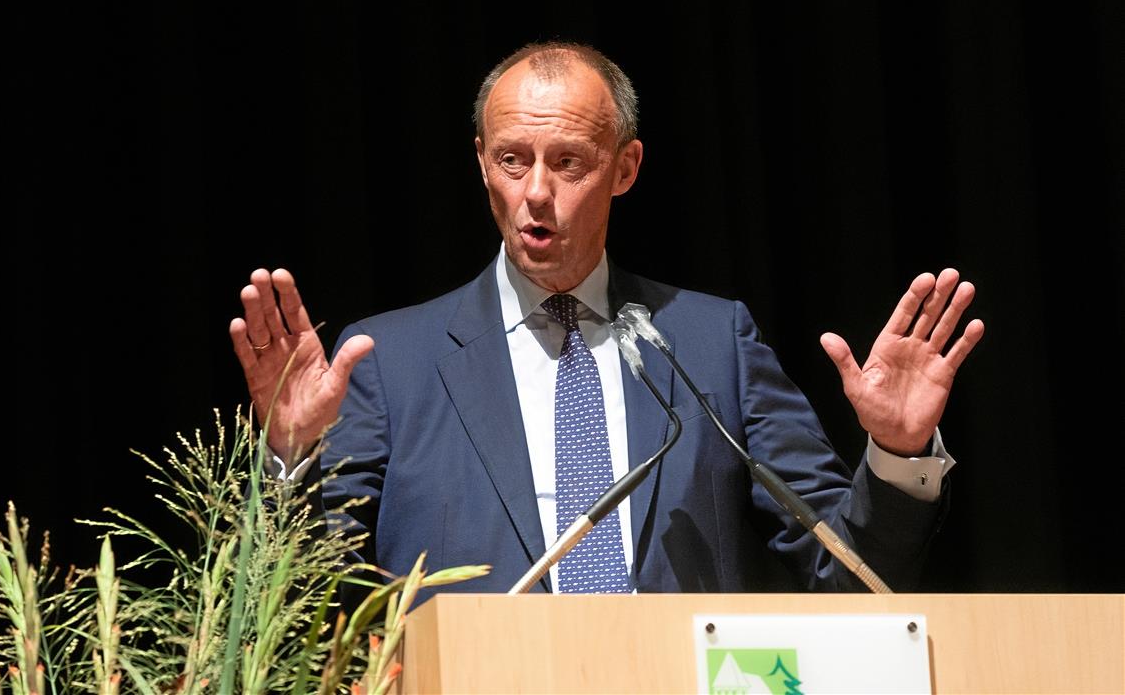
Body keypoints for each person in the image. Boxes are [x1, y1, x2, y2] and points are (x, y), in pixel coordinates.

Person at [229, 42, 984, 603]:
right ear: (481, 164)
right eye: (512, 160)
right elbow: (296, 599)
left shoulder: (710, 343)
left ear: (625, 168)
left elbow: (847, 578)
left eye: (568, 162)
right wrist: (288, 459)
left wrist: (894, 452)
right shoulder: (391, 361)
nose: (535, 193)